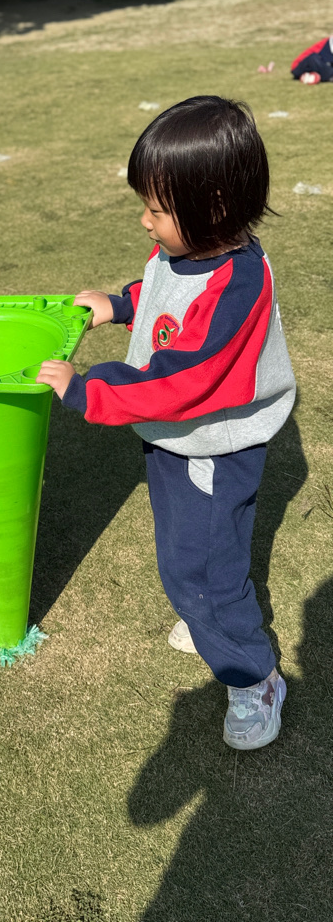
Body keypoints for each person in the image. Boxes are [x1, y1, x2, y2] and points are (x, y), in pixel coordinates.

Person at [38, 95, 296, 750]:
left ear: (214, 206)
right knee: (189, 550)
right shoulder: (189, 251)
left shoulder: (236, 286)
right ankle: (206, 616)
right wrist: (120, 304)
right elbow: (164, 296)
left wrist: (87, 389)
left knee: (204, 569)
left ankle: (254, 676)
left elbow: (181, 376)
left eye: (156, 209)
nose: (144, 221)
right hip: (179, 443)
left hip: (212, 448)